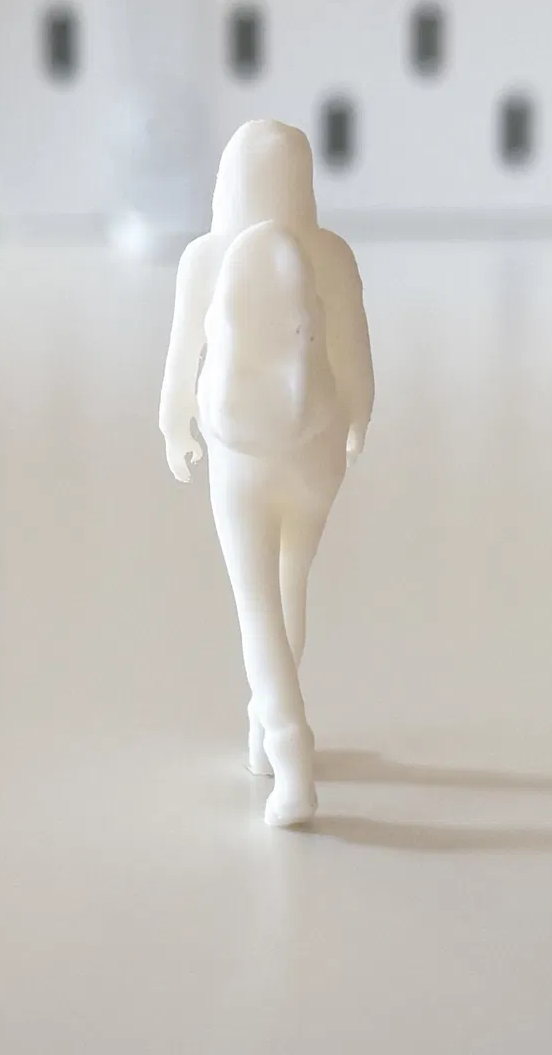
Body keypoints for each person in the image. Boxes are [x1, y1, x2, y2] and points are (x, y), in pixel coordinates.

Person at [159, 119, 374, 827]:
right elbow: (355, 356)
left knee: (256, 606)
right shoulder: (331, 253)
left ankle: (289, 753)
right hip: (317, 451)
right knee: (289, 587)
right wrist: (359, 422)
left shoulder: (204, 256)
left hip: (240, 458)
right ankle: (265, 736)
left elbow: (182, 357)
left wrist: (174, 425)